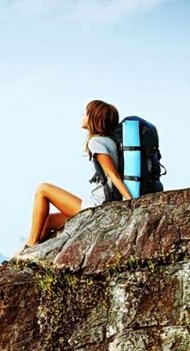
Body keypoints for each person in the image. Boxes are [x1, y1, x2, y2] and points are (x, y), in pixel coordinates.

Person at [23, 99, 134, 249]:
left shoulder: (96, 142)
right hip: (104, 204)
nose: (83, 115)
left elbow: (113, 174)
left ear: (95, 118)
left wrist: (131, 202)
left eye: (86, 113)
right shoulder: (111, 141)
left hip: (96, 207)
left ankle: (29, 246)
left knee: (42, 189)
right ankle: (25, 253)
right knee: (48, 221)